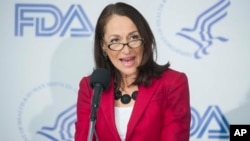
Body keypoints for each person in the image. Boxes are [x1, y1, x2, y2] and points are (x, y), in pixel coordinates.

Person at [75, 2, 191, 141]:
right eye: (115, 40)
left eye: (134, 37)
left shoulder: (172, 83)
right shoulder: (91, 87)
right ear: (103, 46)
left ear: (145, 39)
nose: (126, 50)